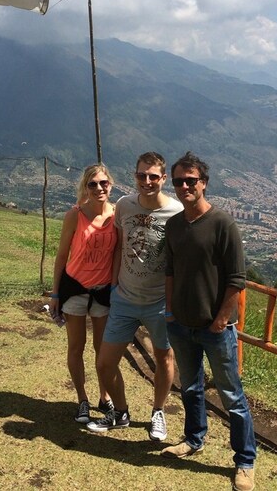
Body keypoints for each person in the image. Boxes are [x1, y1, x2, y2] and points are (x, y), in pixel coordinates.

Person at [162, 152, 257, 491]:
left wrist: (220, 320)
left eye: (191, 180)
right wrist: (170, 311)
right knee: (190, 388)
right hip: (181, 325)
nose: (185, 186)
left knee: (232, 396)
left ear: (204, 183)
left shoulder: (222, 224)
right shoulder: (174, 225)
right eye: (179, 181)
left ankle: (245, 461)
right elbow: (170, 271)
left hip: (215, 329)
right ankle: (193, 438)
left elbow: (237, 279)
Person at [87, 152, 182, 441]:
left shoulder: (176, 212)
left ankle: (158, 411)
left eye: (154, 176)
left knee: (164, 357)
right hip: (125, 299)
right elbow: (118, 245)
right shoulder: (124, 206)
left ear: (163, 179)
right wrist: (115, 285)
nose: (147, 181)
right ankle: (121, 412)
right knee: (104, 362)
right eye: (142, 175)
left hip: (159, 302)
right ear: (135, 176)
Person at [50, 164, 118, 424]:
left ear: (110, 185)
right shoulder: (74, 215)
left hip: (103, 292)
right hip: (75, 289)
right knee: (76, 346)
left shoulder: (117, 215)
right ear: (86, 187)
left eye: (103, 183)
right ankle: (82, 400)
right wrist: (56, 294)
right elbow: (61, 256)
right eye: (93, 184)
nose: (99, 188)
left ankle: (105, 397)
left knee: (103, 351)